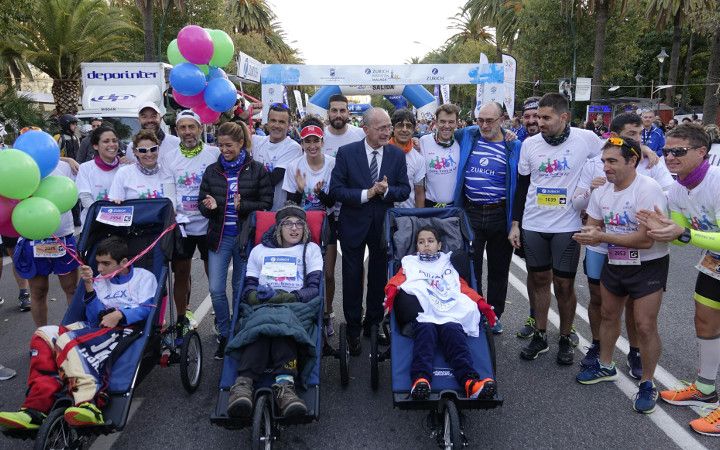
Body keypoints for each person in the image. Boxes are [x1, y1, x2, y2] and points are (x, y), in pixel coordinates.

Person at [0, 237, 158, 429]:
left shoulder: (143, 277)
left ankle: (90, 404)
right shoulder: (99, 280)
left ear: (124, 262)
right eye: (98, 263)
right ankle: (35, 409)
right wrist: (90, 286)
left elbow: (148, 309)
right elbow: (93, 317)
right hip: (94, 327)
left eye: (105, 264)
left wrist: (120, 314)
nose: (99, 268)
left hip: (124, 329)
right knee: (43, 335)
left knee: (68, 340)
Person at [573, 137, 669, 414]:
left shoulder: (647, 189)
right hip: (615, 262)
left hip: (647, 265)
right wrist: (588, 234)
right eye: (604, 161)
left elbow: (644, 240)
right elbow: (592, 226)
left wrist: (600, 235)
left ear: (632, 161)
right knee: (608, 314)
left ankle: (649, 383)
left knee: (645, 325)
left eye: (612, 161)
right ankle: (606, 365)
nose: (605, 167)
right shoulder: (602, 191)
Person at [636, 123, 720, 435]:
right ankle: (705, 388)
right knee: (705, 322)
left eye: (678, 151)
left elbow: (688, 232)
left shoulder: (716, 181)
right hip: (715, 262)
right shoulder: (679, 187)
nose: (670, 156)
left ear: (702, 152)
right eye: (667, 151)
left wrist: (683, 232)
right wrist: (663, 227)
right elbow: (684, 234)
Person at [509, 93, 602, 365]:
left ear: (564, 117)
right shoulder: (529, 144)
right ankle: (540, 334)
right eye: (538, 116)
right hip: (534, 223)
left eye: (546, 117)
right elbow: (522, 186)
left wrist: (645, 150)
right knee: (538, 281)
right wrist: (516, 223)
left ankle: (564, 336)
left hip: (567, 224)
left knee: (564, 285)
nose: (540, 122)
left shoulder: (586, 139)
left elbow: (615, 151)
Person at [225, 204, 323, 419]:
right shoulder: (259, 251)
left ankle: (273, 385)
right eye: (288, 223)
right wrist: (257, 297)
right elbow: (248, 287)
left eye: (299, 224)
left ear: (305, 228)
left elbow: (314, 289)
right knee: (266, 324)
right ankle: (249, 386)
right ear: (279, 227)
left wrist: (286, 297)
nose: (294, 228)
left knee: (281, 326)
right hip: (262, 304)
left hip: (296, 305)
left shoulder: (311, 249)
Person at [329, 107, 410, 355]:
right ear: (365, 129)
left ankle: (373, 324)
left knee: (378, 278)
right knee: (352, 278)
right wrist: (368, 193)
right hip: (353, 226)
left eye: (388, 127)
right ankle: (352, 328)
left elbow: (404, 190)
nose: (388, 132)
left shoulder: (396, 155)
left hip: (382, 227)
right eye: (382, 128)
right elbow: (337, 190)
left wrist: (386, 191)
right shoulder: (346, 153)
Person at [384, 226, 497, 400]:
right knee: (425, 330)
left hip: (449, 310)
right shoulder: (410, 262)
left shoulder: (448, 261)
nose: (426, 245)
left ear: (439, 245)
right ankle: (420, 380)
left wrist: (482, 304)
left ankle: (470, 383)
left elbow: (461, 287)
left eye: (430, 241)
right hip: (424, 310)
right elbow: (397, 280)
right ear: (417, 247)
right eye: (421, 242)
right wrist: (391, 293)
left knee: (454, 332)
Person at [199, 121, 273, 359]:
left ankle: (237, 332)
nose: (224, 150)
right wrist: (209, 206)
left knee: (240, 289)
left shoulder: (257, 169)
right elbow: (204, 202)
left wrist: (245, 206)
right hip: (220, 238)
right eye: (220, 145)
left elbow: (266, 204)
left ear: (241, 143)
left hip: (245, 239)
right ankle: (224, 330)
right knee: (216, 289)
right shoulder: (212, 171)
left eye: (229, 145)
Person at [453, 102, 520, 335]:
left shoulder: (514, 145)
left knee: (499, 270)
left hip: (500, 214)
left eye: (489, 120)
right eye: (479, 120)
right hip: (471, 212)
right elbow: (442, 131)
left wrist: (515, 223)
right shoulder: (469, 135)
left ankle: (494, 315)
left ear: (502, 119)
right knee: (471, 267)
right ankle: (475, 311)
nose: (483, 125)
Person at [162, 110, 220, 339]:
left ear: (200, 128)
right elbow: (169, 192)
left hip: (208, 222)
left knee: (212, 274)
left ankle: (218, 316)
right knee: (182, 273)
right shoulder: (169, 157)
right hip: (183, 224)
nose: (187, 132)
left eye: (191, 127)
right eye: (183, 127)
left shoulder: (213, 154)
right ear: (177, 131)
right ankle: (181, 318)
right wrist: (177, 215)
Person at [282, 115, 338, 336]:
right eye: (307, 141)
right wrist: (299, 189)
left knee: (328, 273)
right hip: (300, 225)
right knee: (302, 272)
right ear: (302, 143)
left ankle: (327, 313)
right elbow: (290, 205)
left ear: (323, 141)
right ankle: (304, 312)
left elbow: (333, 201)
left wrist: (319, 193)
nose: (312, 146)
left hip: (327, 222)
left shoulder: (333, 164)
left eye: (316, 141)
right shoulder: (294, 166)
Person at [13, 159, 78, 327]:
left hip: (63, 236)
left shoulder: (64, 166)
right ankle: (43, 338)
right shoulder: (18, 168)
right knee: (38, 291)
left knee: (71, 289)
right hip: (32, 237)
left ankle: (75, 335)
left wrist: (67, 159)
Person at [251, 103, 302, 211]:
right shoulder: (256, 141)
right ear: (267, 122)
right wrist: (246, 114)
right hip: (255, 212)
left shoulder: (293, 147)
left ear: (289, 125)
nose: (276, 125)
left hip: (279, 213)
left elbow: (273, 179)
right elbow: (232, 133)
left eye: (282, 122)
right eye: (273, 120)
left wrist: (250, 175)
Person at [108, 130, 175, 203]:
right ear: (135, 152)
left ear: (158, 149)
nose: (149, 154)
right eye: (143, 150)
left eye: (153, 149)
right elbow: (115, 203)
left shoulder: (167, 171)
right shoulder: (123, 173)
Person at [76, 126, 121, 226]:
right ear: (95, 146)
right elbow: (85, 197)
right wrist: (106, 216)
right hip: (94, 224)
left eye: (114, 141)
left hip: (121, 224)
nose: (112, 145)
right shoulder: (86, 168)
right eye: (106, 141)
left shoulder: (125, 167)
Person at [419, 104, 461, 208]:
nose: (446, 126)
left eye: (451, 122)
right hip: (430, 206)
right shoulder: (423, 141)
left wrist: (506, 132)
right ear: (436, 122)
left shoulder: (462, 141)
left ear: (456, 123)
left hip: (454, 207)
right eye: (442, 121)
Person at [390, 109, 425, 208]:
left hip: (408, 215)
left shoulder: (418, 158)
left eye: (408, 126)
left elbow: (419, 192)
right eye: (400, 125)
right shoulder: (381, 151)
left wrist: (419, 219)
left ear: (413, 130)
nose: (404, 129)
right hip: (384, 215)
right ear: (393, 128)